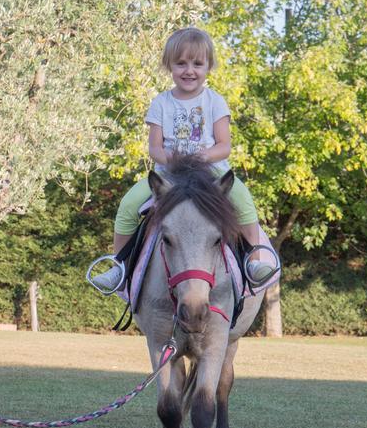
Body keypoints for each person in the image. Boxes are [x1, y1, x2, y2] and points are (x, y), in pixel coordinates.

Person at [91, 26, 273, 292]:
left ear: (209, 66)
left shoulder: (215, 102)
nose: (189, 70)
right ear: (169, 66)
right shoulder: (161, 103)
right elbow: (154, 147)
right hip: (169, 175)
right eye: (181, 63)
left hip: (210, 174)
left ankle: (254, 263)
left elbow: (224, 146)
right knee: (129, 203)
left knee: (244, 201)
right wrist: (169, 157)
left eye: (197, 63)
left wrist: (204, 155)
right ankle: (118, 266)